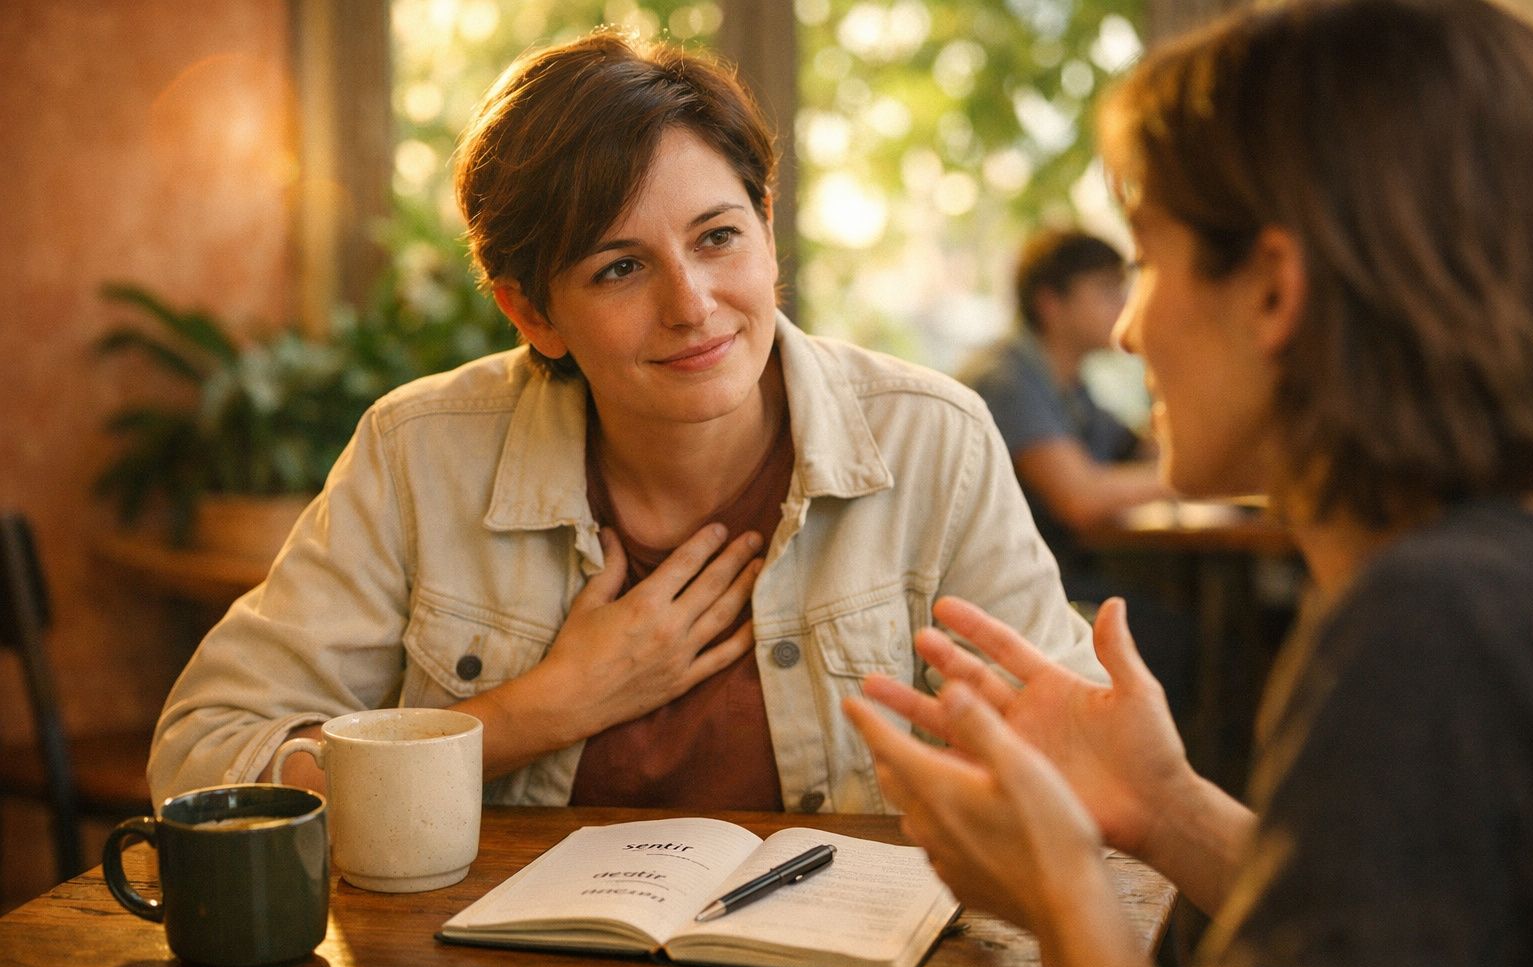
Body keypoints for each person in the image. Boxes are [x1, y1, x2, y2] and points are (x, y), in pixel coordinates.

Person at [147, 30, 1103, 813]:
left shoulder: (933, 440)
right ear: (533, 313)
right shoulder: (420, 455)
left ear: (767, 229)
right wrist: (536, 712)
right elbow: (205, 751)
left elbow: (1073, 755)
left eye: (717, 237)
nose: (692, 305)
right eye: (619, 267)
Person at [844, 0, 1533, 967]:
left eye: (1148, 260)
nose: (1128, 330)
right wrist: (1165, 807)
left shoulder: (1425, 628)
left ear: (1273, 293)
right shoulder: (1481, 583)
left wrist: (1060, 890)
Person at [958, 230, 1191, 715]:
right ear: (1051, 303)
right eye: (1107, 290)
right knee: (1176, 640)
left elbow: (1138, 452)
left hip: (1050, 575)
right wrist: (1193, 473)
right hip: (994, 596)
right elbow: (1080, 498)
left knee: (1180, 621)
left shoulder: (1066, 383)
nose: (1125, 305)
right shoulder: (1007, 379)